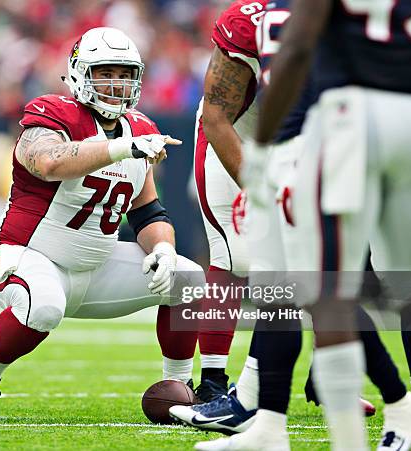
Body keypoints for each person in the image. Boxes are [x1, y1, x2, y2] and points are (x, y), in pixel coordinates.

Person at [191, 1, 411, 450]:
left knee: (323, 288)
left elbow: (296, 51)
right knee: (294, 284)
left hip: (332, 135)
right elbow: (218, 114)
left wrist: (262, 162)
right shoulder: (249, 16)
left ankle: (392, 406)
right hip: (378, 128)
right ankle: (266, 419)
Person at [0, 27, 204, 421]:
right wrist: (123, 148)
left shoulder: (141, 129)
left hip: (96, 267)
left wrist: (163, 249)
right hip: (27, 256)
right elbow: (49, 162)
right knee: (45, 307)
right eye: (106, 72)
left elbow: (148, 212)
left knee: (188, 279)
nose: (117, 84)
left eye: (125, 74)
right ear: (79, 73)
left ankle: (182, 390)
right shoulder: (51, 113)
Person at [190, 0, 265, 401]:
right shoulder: (248, 20)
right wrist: (254, 187)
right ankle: (213, 381)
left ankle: (326, 372)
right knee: (235, 258)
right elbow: (216, 117)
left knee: (316, 258)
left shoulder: (340, 20)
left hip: (291, 141)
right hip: (231, 136)